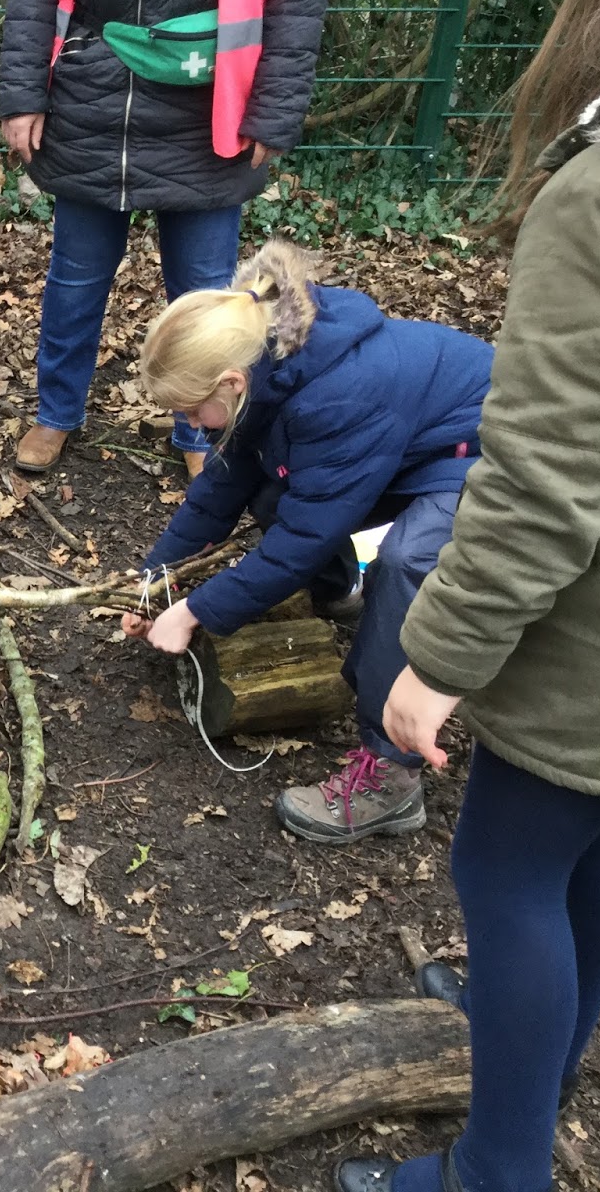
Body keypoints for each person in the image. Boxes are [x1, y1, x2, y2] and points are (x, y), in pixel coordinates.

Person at [336, 0, 600, 1189]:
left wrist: (435, 660)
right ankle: (546, 1055)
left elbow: (548, 472)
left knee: (504, 867)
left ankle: (494, 1170)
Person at [123, 239, 493, 845]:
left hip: (485, 452)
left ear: (230, 383)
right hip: (407, 443)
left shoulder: (337, 395)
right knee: (276, 494)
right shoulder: (267, 366)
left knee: (407, 563)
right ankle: (338, 594)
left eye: (191, 411)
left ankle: (391, 775)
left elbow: (302, 538)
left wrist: (195, 611)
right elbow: (221, 489)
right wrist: (155, 578)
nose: (189, 425)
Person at [0, 0, 328, 478]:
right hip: (90, 101)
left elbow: (296, 3)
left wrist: (276, 107)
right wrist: (23, 92)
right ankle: (56, 414)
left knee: (206, 292)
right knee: (75, 283)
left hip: (207, 111)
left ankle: (201, 432)